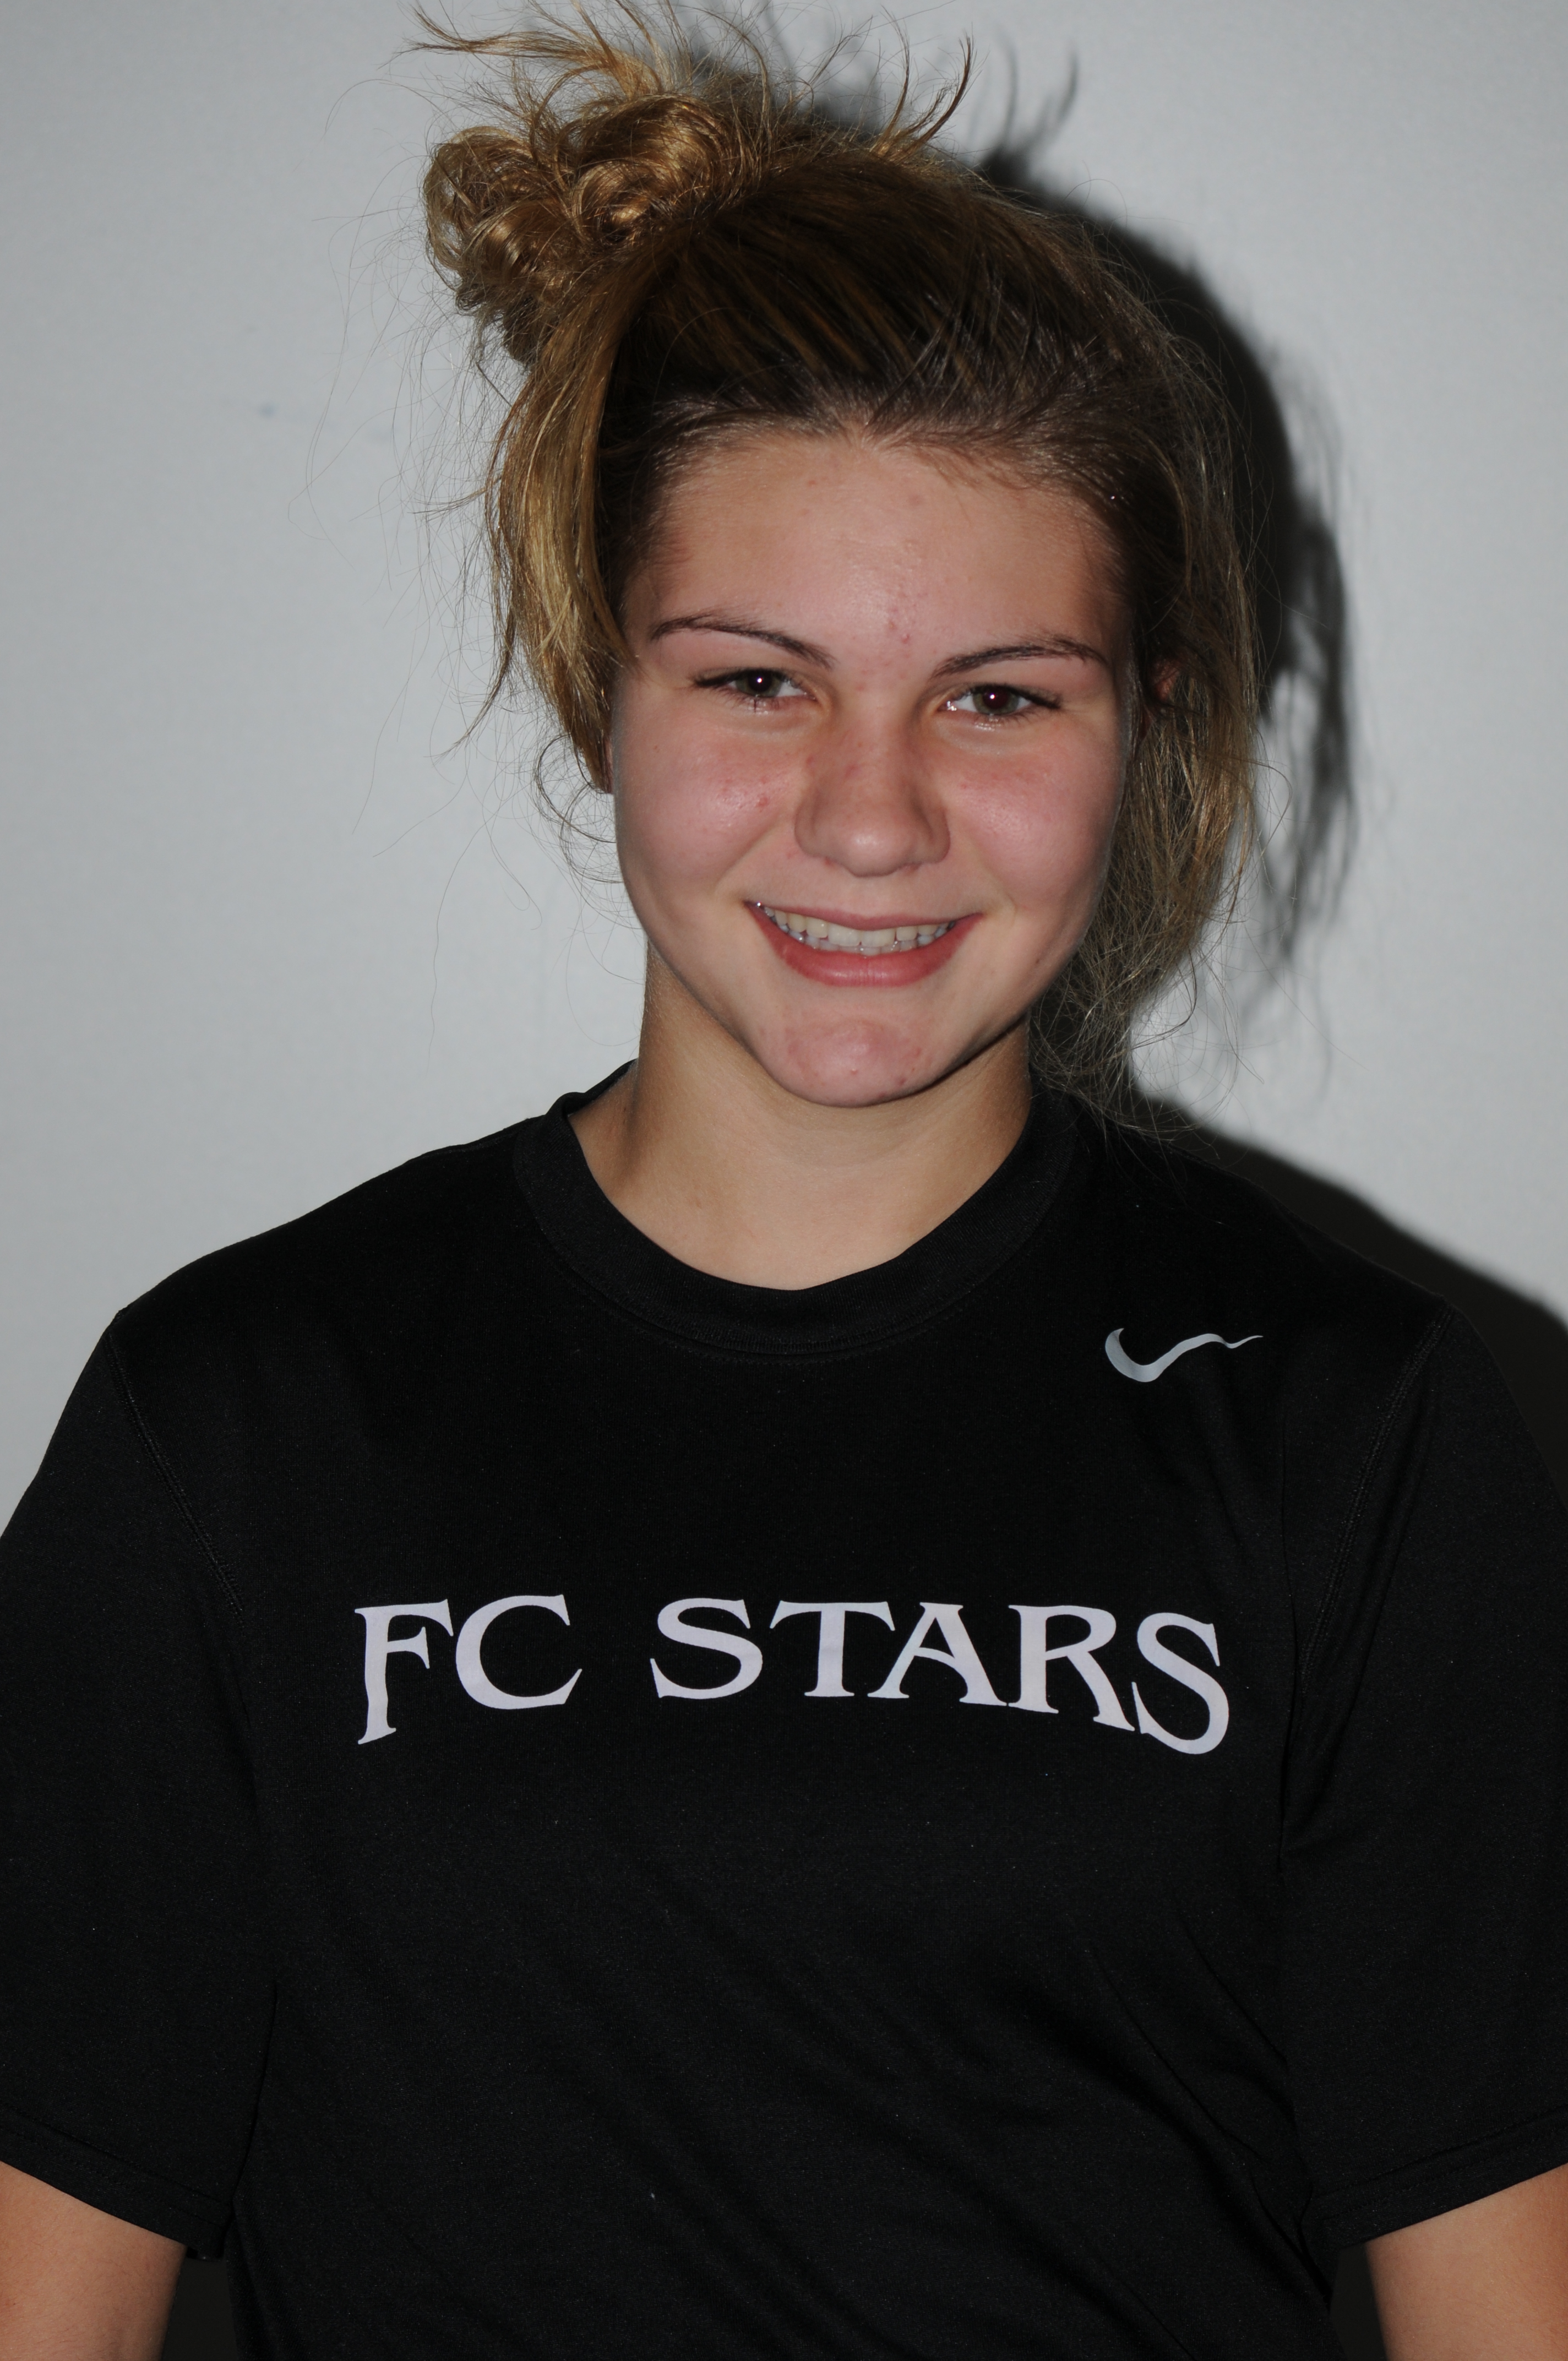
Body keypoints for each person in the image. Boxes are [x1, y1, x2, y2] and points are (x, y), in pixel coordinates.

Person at [2, 12, 1566, 2358]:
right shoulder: (237, 1423)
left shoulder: (1359, 1432)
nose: (869, 814)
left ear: (1145, 721)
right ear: (598, 684)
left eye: (999, 695)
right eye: (757, 681)